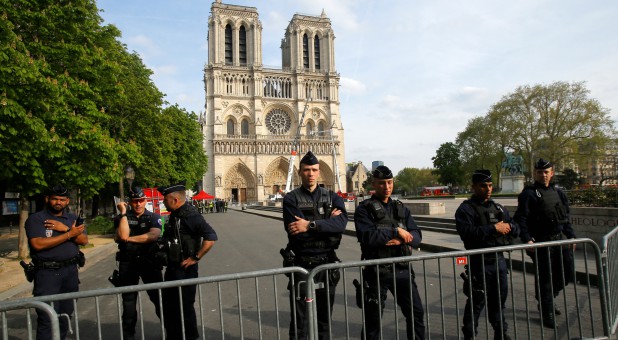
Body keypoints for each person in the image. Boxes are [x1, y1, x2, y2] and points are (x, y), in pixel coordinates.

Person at [282, 151, 348, 340]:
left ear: (319, 172)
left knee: (324, 320)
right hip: (302, 265)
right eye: (306, 170)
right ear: (299, 172)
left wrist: (309, 225)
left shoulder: (333, 197)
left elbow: (341, 225)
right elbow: (296, 235)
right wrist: (327, 223)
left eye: (314, 170)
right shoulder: (291, 199)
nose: (310, 173)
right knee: (300, 322)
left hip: (326, 265)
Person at [354, 165, 425, 340]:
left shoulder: (401, 208)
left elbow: (417, 235)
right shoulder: (364, 209)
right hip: (377, 271)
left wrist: (402, 238)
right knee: (373, 322)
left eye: (390, 182)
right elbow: (367, 236)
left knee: (416, 314)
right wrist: (395, 232)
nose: (387, 187)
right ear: (373, 184)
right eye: (382, 183)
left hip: (402, 269)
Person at [455, 170, 519, 340]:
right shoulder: (466, 209)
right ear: (474, 187)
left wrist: (509, 228)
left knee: (499, 301)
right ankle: (469, 334)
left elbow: (515, 227)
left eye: (490, 185)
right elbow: (466, 233)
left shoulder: (497, 207)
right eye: (483, 186)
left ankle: (500, 332)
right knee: (477, 302)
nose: (488, 189)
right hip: (479, 263)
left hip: (498, 261)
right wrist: (493, 229)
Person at [514, 158, 576, 329]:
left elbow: (565, 217)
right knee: (546, 278)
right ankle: (547, 310)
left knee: (566, 274)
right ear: (535, 173)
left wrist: (571, 236)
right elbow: (521, 218)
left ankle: (546, 297)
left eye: (546, 172)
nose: (543, 175)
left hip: (559, 239)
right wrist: (527, 239)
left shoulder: (558, 192)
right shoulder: (529, 194)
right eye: (540, 172)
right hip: (540, 242)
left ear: (552, 173)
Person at [25, 185, 88, 340]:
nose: (58, 202)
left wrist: (66, 229)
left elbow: (84, 240)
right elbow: (38, 244)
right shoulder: (36, 219)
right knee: (47, 318)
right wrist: (69, 235)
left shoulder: (72, 219)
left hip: (70, 272)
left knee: (65, 316)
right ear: (47, 199)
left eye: (62, 199)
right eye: (54, 199)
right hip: (47, 274)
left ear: (67, 201)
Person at [158, 182, 218, 340]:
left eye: (165, 200)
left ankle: (190, 337)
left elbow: (211, 237)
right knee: (171, 307)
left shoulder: (190, 216)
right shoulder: (175, 215)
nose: (163, 203)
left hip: (184, 271)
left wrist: (195, 257)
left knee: (184, 309)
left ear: (175, 200)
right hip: (173, 268)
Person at [114, 187, 163, 340]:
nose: (138, 204)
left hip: (149, 262)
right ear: (130, 203)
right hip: (128, 264)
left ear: (145, 201)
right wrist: (123, 214)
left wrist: (128, 239)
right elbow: (121, 234)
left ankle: (172, 332)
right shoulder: (122, 218)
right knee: (128, 303)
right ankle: (128, 336)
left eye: (141, 201)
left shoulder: (154, 217)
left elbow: (153, 236)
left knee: (159, 299)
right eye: (135, 201)